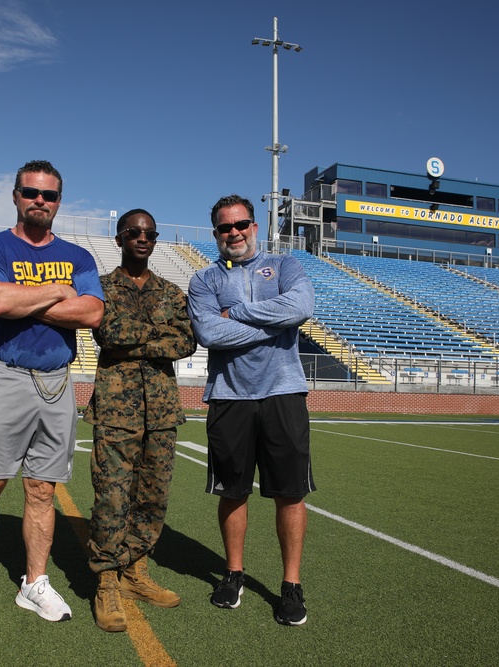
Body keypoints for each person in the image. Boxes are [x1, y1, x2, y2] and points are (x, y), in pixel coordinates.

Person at [0, 160, 105, 634]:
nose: (40, 201)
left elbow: (94, 313)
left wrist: (29, 299)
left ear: (60, 201)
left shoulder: (79, 256)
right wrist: (58, 293)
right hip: (6, 375)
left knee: (42, 489)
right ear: (16, 195)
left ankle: (33, 582)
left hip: (58, 381)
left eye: (50, 195)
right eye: (31, 193)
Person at [186, 194, 316, 626]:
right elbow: (209, 332)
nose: (234, 233)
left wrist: (239, 313)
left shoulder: (286, 267)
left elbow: (300, 308)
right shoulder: (203, 280)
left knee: (290, 492)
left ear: (255, 226)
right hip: (229, 396)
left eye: (241, 224)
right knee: (232, 491)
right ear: (215, 234)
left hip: (283, 393)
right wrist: (275, 328)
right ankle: (233, 573)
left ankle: (291, 584)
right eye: (225, 227)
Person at [83, 209, 197, 632]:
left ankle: (135, 571)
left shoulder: (170, 290)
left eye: (149, 233)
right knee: (112, 496)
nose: (142, 238)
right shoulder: (101, 287)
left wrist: (136, 336)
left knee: (153, 496)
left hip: (162, 410)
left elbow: (186, 340)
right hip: (116, 408)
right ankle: (107, 580)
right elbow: (106, 333)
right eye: (134, 232)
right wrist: (156, 336)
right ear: (120, 239)